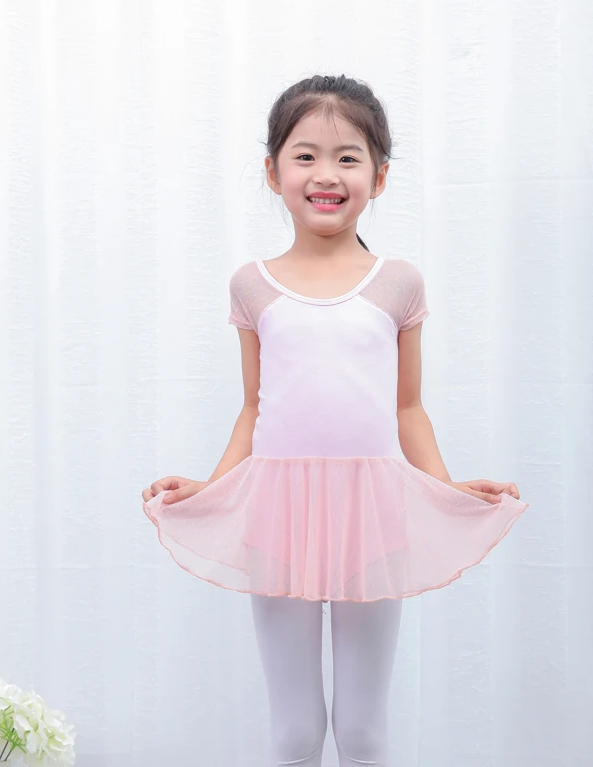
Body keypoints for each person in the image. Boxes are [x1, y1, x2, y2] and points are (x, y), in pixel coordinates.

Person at [141, 74, 529, 766]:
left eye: (348, 157)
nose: (326, 174)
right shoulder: (252, 283)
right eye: (306, 155)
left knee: (363, 731)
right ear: (273, 172)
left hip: (372, 517)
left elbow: (408, 407)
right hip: (277, 517)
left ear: (379, 176)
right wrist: (212, 488)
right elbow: (255, 405)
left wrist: (444, 488)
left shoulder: (398, 282)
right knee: (294, 731)